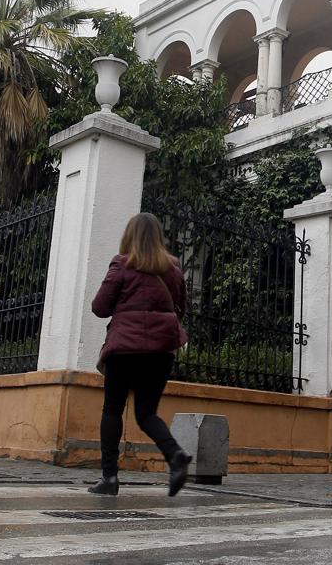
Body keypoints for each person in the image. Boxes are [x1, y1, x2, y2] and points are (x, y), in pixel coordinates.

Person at [89, 212, 192, 497]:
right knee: (146, 413)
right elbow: (180, 308)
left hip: (124, 349)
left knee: (112, 409)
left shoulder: (122, 264)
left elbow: (100, 307)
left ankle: (109, 479)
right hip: (161, 350)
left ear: (130, 235)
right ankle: (175, 455)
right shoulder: (173, 267)